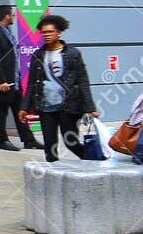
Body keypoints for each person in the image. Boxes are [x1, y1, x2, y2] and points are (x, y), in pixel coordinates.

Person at [20, 14, 98, 163]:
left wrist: (90, 107)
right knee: (49, 146)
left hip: (68, 106)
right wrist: (24, 107)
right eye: (43, 32)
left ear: (59, 32)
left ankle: (92, 162)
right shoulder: (38, 55)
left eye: (50, 32)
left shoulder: (73, 54)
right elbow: (31, 83)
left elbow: (83, 81)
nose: (46, 35)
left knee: (71, 142)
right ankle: (52, 177)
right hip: (46, 107)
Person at [0, 4, 39, 151]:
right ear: (7, 16)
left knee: (20, 109)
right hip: (4, 81)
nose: (14, 17)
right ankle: (2, 140)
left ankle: (29, 140)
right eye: (12, 15)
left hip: (14, 79)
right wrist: (1, 80)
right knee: (1, 110)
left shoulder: (7, 31)